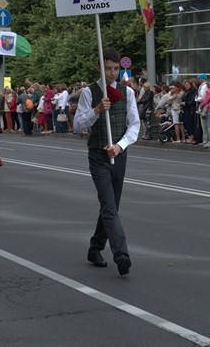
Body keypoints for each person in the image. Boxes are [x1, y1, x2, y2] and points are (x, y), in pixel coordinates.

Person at [74, 47, 139, 276]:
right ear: (99, 68)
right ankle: (121, 254)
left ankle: (95, 248)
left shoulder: (128, 92)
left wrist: (119, 145)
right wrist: (97, 110)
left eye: (115, 68)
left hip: (118, 154)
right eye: (107, 68)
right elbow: (78, 125)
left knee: (111, 206)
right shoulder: (89, 92)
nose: (112, 73)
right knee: (109, 205)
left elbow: (134, 125)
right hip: (98, 155)